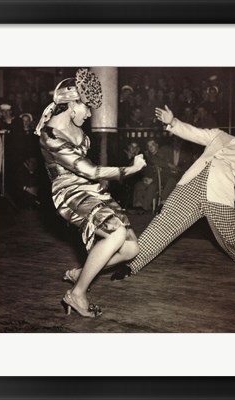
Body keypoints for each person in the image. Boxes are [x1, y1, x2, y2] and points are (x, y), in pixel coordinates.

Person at [35, 68, 146, 318]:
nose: (89, 114)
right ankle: (76, 294)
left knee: (130, 249)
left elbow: (90, 175)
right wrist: (131, 169)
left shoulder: (81, 135)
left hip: (89, 190)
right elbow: (91, 170)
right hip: (68, 193)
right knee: (116, 233)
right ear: (72, 104)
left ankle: (82, 272)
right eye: (87, 108)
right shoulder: (51, 136)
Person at [123, 106, 235, 276]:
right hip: (190, 186)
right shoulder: (219, 135)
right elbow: (193, 133)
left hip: (219, 194)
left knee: (230, 236)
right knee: (164, 222)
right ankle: (131, 263)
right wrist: (173, 122)